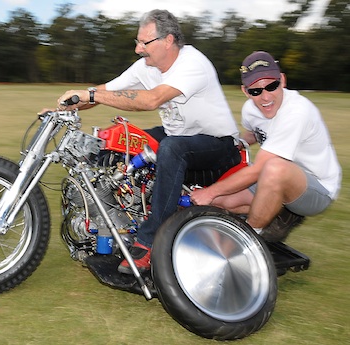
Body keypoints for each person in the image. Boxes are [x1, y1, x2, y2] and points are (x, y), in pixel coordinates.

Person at [51, 10, 240, 274]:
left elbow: (151, 100)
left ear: (168, 40)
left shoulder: (192, 63)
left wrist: (89, 93)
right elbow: (106, 92)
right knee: (122, 139)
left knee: (172, 149)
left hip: (219, 145)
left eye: (145, 42)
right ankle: (114, 215)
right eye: (137, 42)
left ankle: (149, 242)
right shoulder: (146, 66)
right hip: (178, 135)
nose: (139, 49)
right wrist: (62, 109)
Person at [190, 51, 341, 240]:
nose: (265, 97)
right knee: (221, 201)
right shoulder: (250, 110)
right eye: (256, 91)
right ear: (245, 91)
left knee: (274, 167)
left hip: (317, 187)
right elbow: (255, 133)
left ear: (283, 81)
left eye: (272, 86)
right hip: (271, 177)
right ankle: (277, 212)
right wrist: (240, 143)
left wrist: (209, 191)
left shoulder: (297, 111)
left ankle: (249, 240)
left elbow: (260, 169)